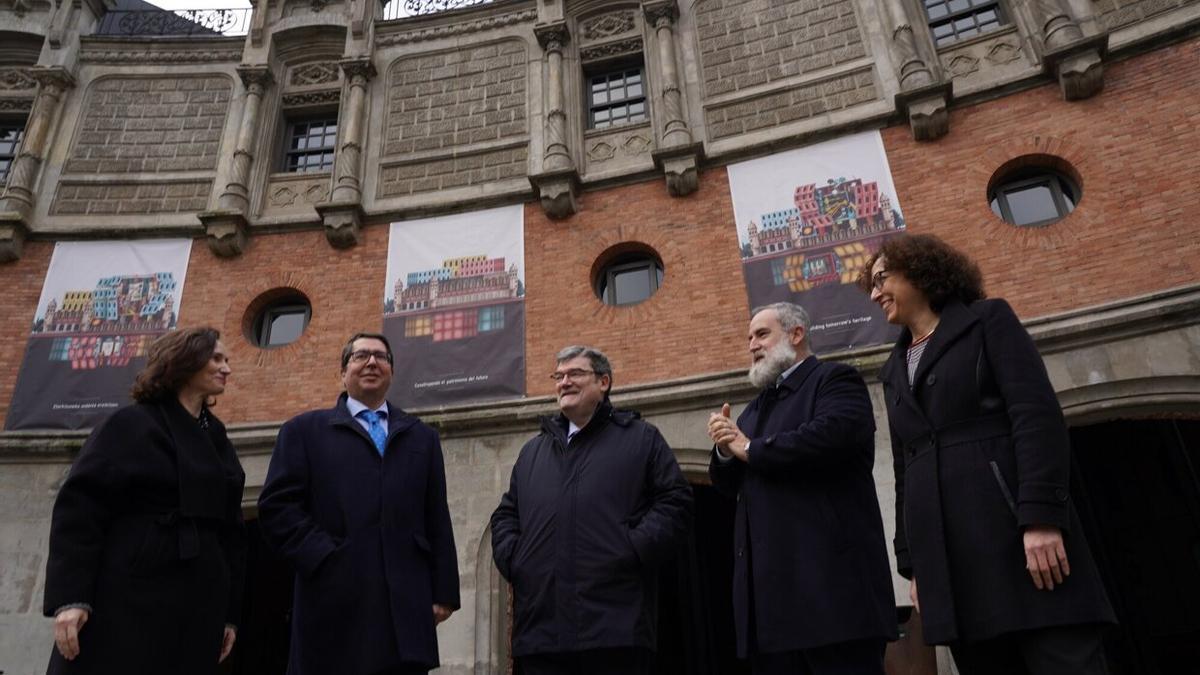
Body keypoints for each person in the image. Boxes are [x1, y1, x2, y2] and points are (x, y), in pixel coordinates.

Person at [860, 233, 1115, 674]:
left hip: (1019, 542)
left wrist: (1040, 517)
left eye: (882, 277)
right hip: (951, 568)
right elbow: (905, 471)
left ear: (920, 271)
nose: (875, 292)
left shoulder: (988, 321)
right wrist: (914, 566)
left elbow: (1035, 416)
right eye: (871, 283)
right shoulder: (893, 369)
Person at [707, 302, 897, 675]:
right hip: (771, 609)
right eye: (749, 337)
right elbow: (729, 483)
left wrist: (748, 447)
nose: (752, 345)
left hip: (832, 598)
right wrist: (724, 449)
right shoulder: (755, 408)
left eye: (762, 334)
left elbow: (831, 437)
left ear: (796, 335)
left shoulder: (835, 380)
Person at [43, 327, 246, 674]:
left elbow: (232, 531)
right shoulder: (130, 424)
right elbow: (81, 510)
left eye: (226, 360)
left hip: (200, 599)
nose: (226, 368)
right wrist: (71, 598)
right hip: (128, 590)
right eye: (216, 358)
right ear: (185, 361)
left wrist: (230, 615)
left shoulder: (219, 438)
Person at [258, 332, 459, 675]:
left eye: (381, 357)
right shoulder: (304, 431)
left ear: (391, 372)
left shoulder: (421, 437)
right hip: (334, 601)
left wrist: (444, 592)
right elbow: (277, 508)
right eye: (361, 356)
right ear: (343, 372)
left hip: (404, 609)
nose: (371, 362)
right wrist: (323, 556)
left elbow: (436, 516)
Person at [490, 345, 693, 675]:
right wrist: (517, 558)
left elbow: (676, 503)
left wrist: (630, 548)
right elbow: (505, 515)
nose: (564, 382)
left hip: (615, 634)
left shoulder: (642, 439)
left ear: (604, 382)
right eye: (559, 376)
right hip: (540, 638)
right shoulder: (532, 453)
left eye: (575, 374)